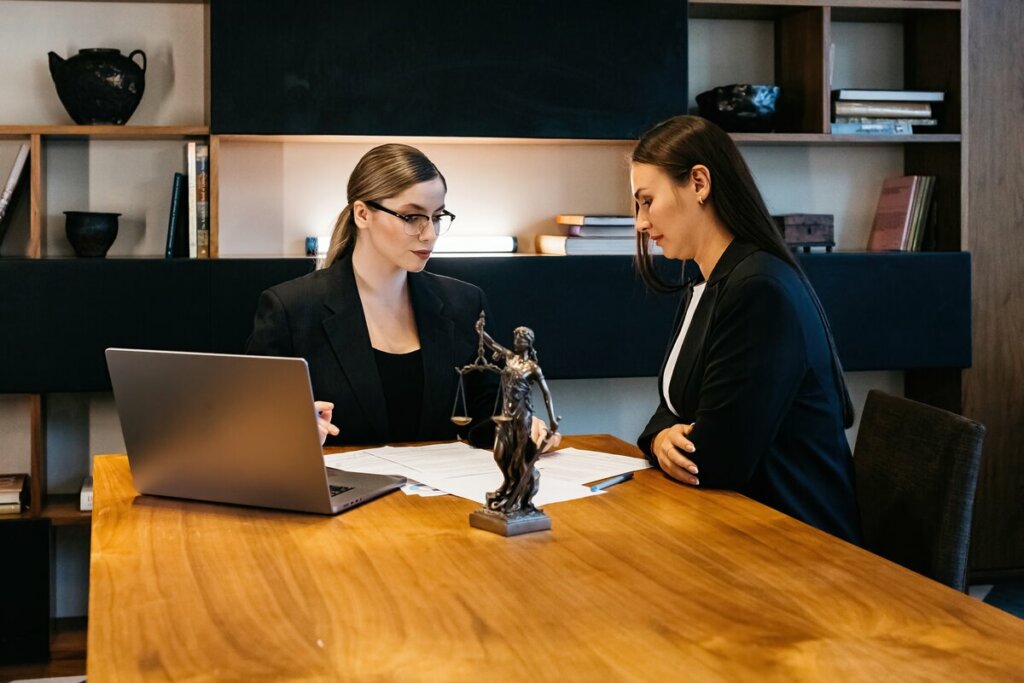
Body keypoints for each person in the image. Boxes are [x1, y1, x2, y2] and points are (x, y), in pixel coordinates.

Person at [631, 115, 861, 543]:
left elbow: (717, 461)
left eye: (647, 201)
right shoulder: (707, 282)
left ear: (699, 183)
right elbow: (673, 405)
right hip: (738, 524)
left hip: (800, 545)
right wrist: (660, 437)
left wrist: (667, 439)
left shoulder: (758, 290)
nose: (641, 223)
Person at [245, 143, 503, 447]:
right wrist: (292, 428)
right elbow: (252, 424)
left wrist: (521, 430)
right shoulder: (291, 309)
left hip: (441, 494)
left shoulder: (465, 303)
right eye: (412, 217)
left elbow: (488, 417)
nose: (430, 233)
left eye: (437, 216)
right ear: (362, 214)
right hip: (339, 490)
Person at [474, 320, 560, 515]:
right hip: (506, 415)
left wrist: (552, 419)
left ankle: (519, 495)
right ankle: (507, 485)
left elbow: (546, 393)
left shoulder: (533, 368)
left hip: (522, 416)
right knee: (500, 454)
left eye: (521, 338)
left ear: (529, 342)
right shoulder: (509, 358)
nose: (517, 340)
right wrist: (481, 331)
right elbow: (492, 344)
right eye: (515, 337)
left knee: (519, 458)